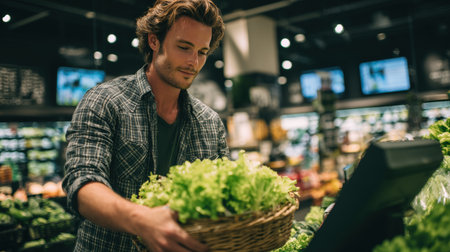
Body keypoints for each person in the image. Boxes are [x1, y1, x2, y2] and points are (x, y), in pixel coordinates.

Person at [62, 0, 229, 251]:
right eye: (184, 47)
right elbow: (82, 183)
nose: (193, 62)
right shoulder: (105, 101)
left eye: (202, 52)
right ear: (154, 41)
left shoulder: (210, 123)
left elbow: (224, 195)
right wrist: (143, 220)